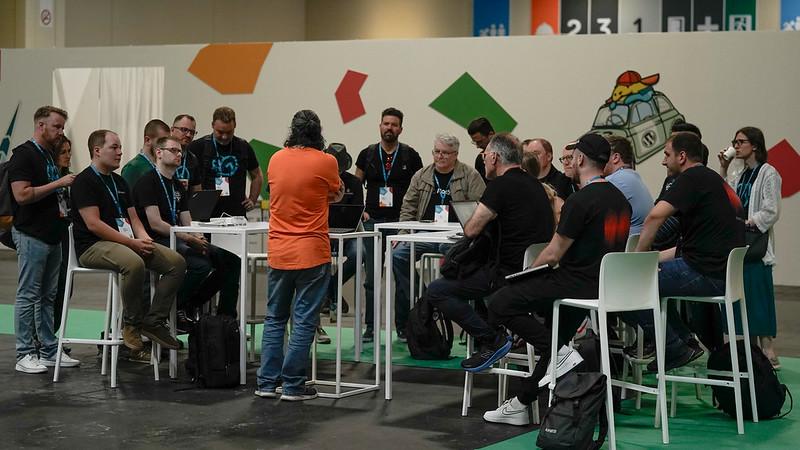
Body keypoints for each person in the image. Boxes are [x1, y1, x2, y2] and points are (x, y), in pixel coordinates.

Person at [480, 133, 631, 425]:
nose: (570, 162)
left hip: (575, 283)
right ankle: (522, 402)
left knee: (500, 302)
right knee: (555, 337)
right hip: (602, 286)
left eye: (572, 157)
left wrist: (523, 276)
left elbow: (553, 253)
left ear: (581, 159)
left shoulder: (581, 200)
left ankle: (559, 353)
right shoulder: (620, 200)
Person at [424, 133, 554, 371]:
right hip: (534, 272)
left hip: (507, 274)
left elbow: (472, 229)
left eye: (484, 156)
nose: (483, 161)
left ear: (494, 157)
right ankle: (496, 336)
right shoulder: (535, 184)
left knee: (438, 290)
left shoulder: (501, 186)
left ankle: (492, 340)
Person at [630, 132, 746, 372]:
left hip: (706, 273)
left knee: (632, 284)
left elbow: (654, 217)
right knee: (650, 278)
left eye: (666, 154)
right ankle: (684, 342)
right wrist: (654, 259)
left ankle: (674, 345)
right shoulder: (712, 179)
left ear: (682, 156)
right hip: (720, 273)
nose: (663, 161)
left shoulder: (690, 178)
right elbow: (690, 246)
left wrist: (637, 261)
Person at [255, 110, 343, 402]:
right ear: (318, 132)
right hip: (312, 250)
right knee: (304, 320)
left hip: (279, 249)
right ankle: (293, 385)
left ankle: (267, 383)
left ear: (292, 130)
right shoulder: (327, 161)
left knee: (275, 318)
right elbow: (336, 192)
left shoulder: (276, 159)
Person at [71, 129, 185, 352]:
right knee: (133, 263)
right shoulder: (84, 181)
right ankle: (131, 324)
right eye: (114, 148)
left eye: (120, 148)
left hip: (126, 243)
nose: (120, 152)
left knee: (176, 262)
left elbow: (134, 220)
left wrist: (144, 239)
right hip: (93, 245)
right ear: (96, 150)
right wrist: (132, 244)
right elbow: (94, 224)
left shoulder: (120, 182)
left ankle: (154, 321)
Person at [133, 136, 240, 326]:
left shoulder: (177, 185)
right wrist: (189, 239)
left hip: (179, 238)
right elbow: (156, 223)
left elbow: (186, 218)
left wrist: (198, 237)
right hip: (158, 240)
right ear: (159, 153)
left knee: (230, 261)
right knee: (201, 265)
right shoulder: (147, 182)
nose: (179, 154)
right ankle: (169, 308)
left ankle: (198, 307)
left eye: (180, 151)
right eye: (173, 150)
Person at [391, 133, 485, 341]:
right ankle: (422, 300)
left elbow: (481, 208)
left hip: (456, 237)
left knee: (452, 258)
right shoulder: (421, 175)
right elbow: (408, 206)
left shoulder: (470, 176)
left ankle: (441, 301)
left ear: (456, 155)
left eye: (445, 153)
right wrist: (404, 233)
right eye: (437, 152)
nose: (440, 156)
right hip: (426, 233)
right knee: (398, 255)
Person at [9, 106, 79, 373]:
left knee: (49, 296)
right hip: (31, 233)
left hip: (53, 233)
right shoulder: (24, 156)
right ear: (41, 125)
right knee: (28, 295)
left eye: (62, 127)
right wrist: (58, 184)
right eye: (57, 127)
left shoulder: (49, 156)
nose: (60, 132)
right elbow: (22, 195)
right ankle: (24, 352)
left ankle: (48, 349)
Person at [354, 107, 423, 342]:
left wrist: (413, 219)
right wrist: (360, 212)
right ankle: (371, 327)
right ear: (379, 126)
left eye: (394, 124)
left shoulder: (411, 156)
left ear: (401, 129)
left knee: (402, 277)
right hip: (373, 223)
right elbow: (355, 186)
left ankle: (402, 326)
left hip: (400, 224)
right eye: (385, 123)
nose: (389, 128)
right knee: (372, 278)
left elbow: (419, 190)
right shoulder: (367, 154)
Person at [719, 126, 782, 369]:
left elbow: (772, 210)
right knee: (743, 295)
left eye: (740, 141)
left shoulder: (768, 173)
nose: (736, 145)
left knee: (759, 295)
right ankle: (752, 351)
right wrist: (724, 168)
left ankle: (767, 349)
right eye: (734, 141)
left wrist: (747, 222)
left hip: (756, 241)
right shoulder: (740, 173)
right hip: (739, 242)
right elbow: (725, 198)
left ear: (754, 145)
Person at [188, 106, 263, 217]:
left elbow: (257, 175)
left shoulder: (243, 146)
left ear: (235, 126)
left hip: (236, 215)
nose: (224, 136)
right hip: (206, 214)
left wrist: (252, 199)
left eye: (229, 132)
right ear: (212, 125)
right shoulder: (198, 147)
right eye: (220, 132)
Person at [603, 135, 653, 235]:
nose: (598, 160)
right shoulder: (631, 176)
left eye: (603, 155)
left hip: (626, 248)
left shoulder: (615, 180)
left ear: (615, 157)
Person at [51, 136, 72, 335]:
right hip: (49, 234)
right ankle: (38, 340)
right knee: (47, 289)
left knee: (65, 287)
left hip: (66, 236)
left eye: (69, 152)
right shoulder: (49, 179)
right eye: (62, 152)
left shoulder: (71, 179)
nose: (67, 156)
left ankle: (52, 336)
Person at [120, 119, 171, 191]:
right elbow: (128, 200)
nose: (165, 145)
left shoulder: (161, 166)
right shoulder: (133, 167)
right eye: (161, 141)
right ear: (148, 140)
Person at [170, 114, 202, 192]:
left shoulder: (192, 159)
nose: (188, 135)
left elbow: (197, 191)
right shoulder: (162, 154)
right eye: (184, 130)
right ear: (172, 130)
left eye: (192, 132)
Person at [467, 117, 495, 184]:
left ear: (491, 135)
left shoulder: (511, 153)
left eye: (480, 142)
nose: (477, 146)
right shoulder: (480, 160)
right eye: (475, 142)